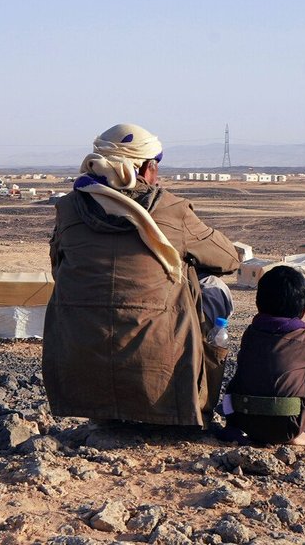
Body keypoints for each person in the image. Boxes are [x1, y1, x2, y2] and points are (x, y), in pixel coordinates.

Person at [43, 123, 243, 428]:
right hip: (158, 378)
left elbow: (59, 267)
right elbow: (228, 259)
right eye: (156, 166)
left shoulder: (69, 208)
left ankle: (107, 410)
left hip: (81, 371)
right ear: (147, 168)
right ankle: (187, 401)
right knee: (212, 287)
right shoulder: (171, 210)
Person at [222, 265, 305, 445]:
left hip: (244, 421)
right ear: (304, 309)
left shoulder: (250, 333)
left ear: (259, 303)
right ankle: (299, 432)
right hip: (286, 428)